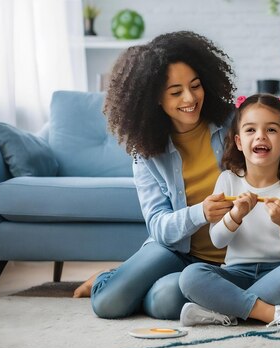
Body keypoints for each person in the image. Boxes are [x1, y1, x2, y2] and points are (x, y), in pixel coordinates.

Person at [75, 31, 237, 320]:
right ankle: (109, 277)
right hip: (176, 251)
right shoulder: (146, 151)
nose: (190, 98)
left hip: (230, 258)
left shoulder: (232, 125)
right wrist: (201, 213)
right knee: (108, 304)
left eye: (196, 86)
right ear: (155, 99)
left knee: (165, 303)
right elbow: (158, 226)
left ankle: (132, 280)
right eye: (176, 92)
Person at [178, 94, 280, 328]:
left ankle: (225, 310)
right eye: (250, 130)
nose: (261, 136)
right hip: (235, 275)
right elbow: (218, 240)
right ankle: (270, 314)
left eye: (271, 130)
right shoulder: (228, 180)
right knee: (191, 275)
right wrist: (235, 216)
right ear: (239, 141)